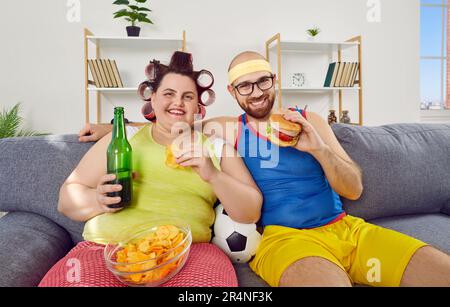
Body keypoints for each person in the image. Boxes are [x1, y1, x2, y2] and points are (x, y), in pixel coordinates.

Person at [79, 51, 450, 287]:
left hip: (347, 230)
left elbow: (353, 189)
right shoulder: (226, 128)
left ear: (274, 81)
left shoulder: (311, 121)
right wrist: (115, 128)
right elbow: (171, 122)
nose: (255, 92)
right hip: (283, 240)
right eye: (244, 86)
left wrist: (319, 149)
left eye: (262, 81)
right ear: (232, 91)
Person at [39, 51, 262, 287]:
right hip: (105, 249)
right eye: (168, 94)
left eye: (187, 96)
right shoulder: (123, 141)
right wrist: (97, 199)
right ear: (153, 99)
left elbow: (251, 212)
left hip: (190, 254)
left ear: (197, 106)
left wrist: (213, 175)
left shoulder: (217, 149)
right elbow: (66, 200)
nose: (178, 102)